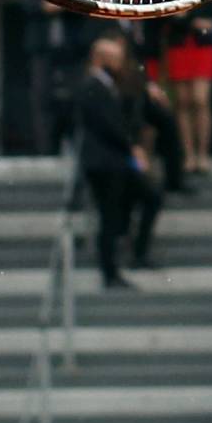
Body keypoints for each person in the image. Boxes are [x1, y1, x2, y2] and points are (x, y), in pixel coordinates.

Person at [76, 31, 158, 288]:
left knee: (146, 198)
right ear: (100, 59)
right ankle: (110, 271)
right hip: (105, 162)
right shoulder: (93, 86)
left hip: (115, 161)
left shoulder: (108, 86)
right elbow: (107, 126)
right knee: (109, 217)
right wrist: (132, 147)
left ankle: (132, 253)